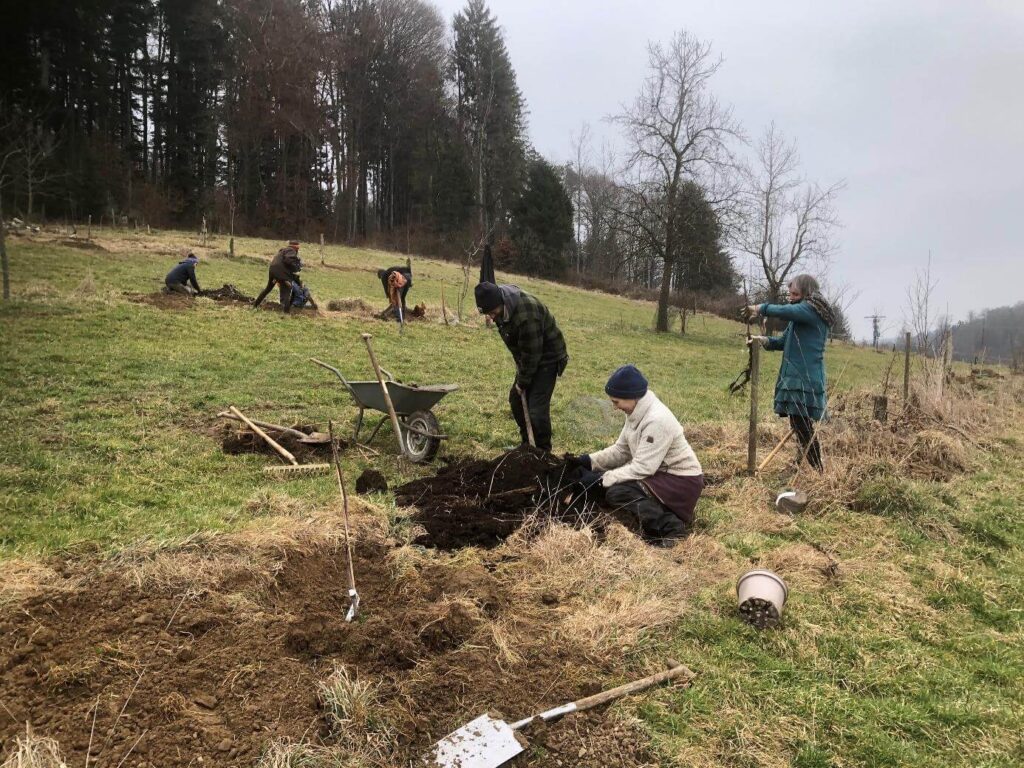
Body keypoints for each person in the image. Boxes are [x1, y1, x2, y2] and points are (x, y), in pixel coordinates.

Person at [574, 365, 704, 547]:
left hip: (680, 482)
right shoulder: (636, 412)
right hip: (659, 474)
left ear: (632, 397)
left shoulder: (657, 420)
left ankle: (671, 528)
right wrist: (587, 461)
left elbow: (644, 468)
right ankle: (656, 515)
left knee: (619, 492)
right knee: (614, 487)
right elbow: (621, 451)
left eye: (616, 402)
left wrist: (602, 479)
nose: (614, 407)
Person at [747, 274, 835, 472]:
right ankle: (806, 466)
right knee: (799, 424)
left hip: (805, 379)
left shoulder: (812, 309)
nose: (791, 297)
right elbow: (782, 341)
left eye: (795, 293)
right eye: (790, 293)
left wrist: (761, 308)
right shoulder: (801, 315)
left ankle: (818, 470)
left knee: (802, 426)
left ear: (806, 292)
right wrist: (761, 340)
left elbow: (786, 311)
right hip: (796, 378)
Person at [475, 281, 568, 452]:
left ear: (500, 303)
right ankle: (527, 446)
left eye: (493, 312)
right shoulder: (500, 308)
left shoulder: (526, 313)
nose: (492, 317)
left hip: (547, 358)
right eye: (488, 313)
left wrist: (522, 382)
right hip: (528, 357)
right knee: (516, 400)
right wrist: (521, 376)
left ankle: (542, 452)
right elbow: (520, 345)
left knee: (536, 410)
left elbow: (533, 354)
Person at [253, 240, 305, 313]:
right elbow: (288, 260)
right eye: (298, 247)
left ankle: (255, 305)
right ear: (296, 247)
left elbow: (287, 265)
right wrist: (295, 267)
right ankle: (286, 313)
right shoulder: (291, 250)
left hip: (272, 270)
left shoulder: (283, 251)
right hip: (281, 273)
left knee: (268, 289)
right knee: (287, 291)